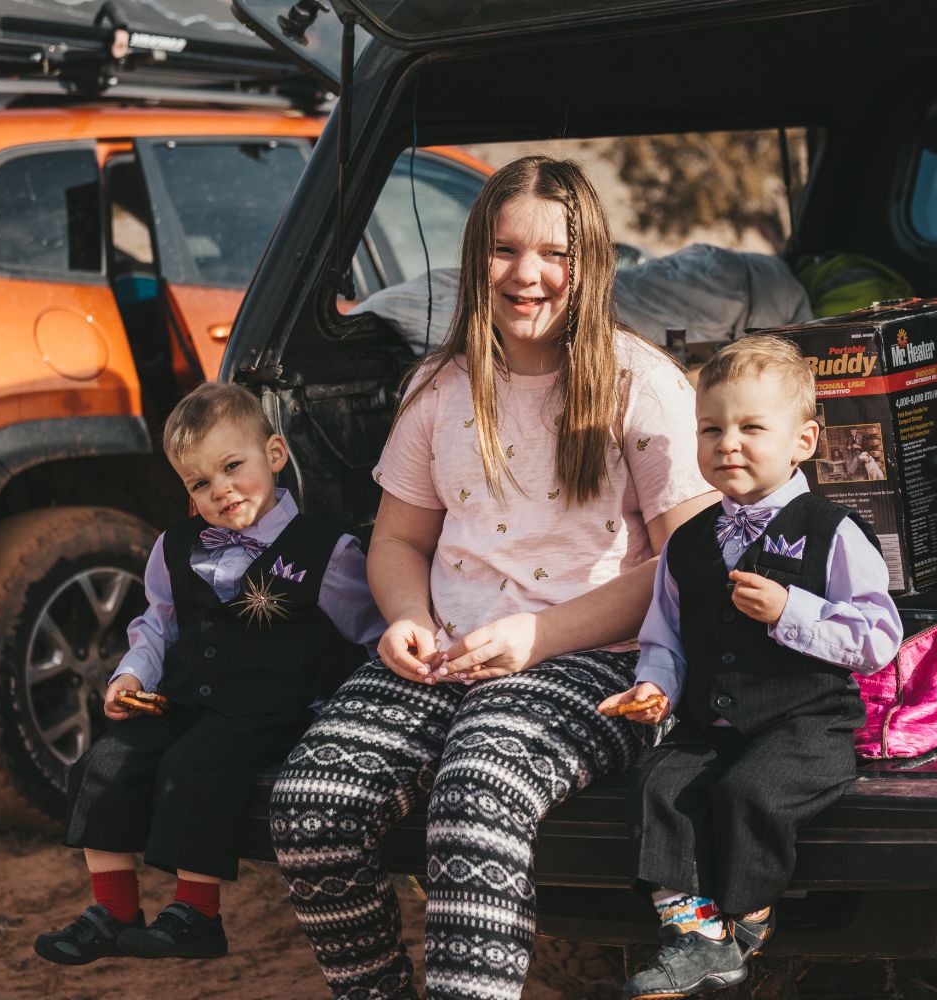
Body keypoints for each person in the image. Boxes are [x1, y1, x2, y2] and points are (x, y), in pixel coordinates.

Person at [268, 155, 714, 1000]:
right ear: (477, 259)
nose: (528, 275)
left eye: (555, 253)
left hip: (602, 658)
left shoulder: (640, 383)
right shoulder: (437, 388)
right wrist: (404, 618)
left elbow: (687, 564)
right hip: (449, 650)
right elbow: (397, 540)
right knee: (310, 802)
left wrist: (536, 637)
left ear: (589, 266)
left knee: (479, 790)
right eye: (507, 250)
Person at [33, 381, 384, 966]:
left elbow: (372, 634)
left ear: (273, 455)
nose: (220, 490)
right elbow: (158, 624)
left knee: (196, 764)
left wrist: (362, 710)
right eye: (200, 483)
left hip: (272, 710)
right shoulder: (174, 546)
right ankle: (114, 910)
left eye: (232, 467)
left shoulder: (327, 552)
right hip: (185, 703)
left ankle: (197, 914)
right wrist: (131, 676)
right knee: (104, 763)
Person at [599, 336, 903, 999]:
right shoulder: (687, 543)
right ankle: (695, 936)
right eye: (712, 429)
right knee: (657, 780)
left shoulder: (834, 531)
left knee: (751, 794)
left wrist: (791, 609)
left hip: (807, 727)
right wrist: (655, 687)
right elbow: (666, 638)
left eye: (750, 427)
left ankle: (746, 917)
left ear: (804, 441)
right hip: (713, 722)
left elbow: (879, 637)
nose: (727, 443)